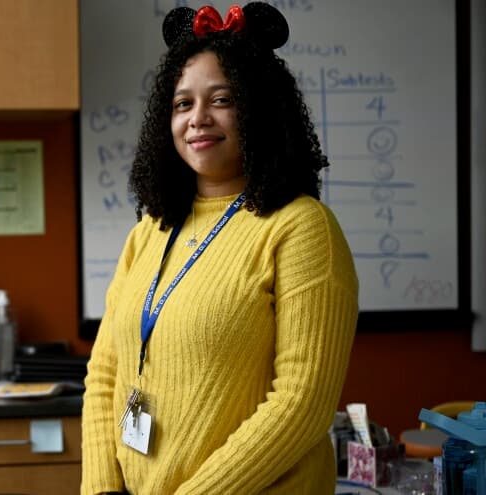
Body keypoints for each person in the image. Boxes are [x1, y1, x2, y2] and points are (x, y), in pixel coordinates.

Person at [81, 3, 359, 494]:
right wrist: (103, 487)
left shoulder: (302, 228)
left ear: (258, 110)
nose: (197, 119)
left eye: (222, 100)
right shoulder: (150, 230)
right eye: (182, 103)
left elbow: (301, 406)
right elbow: (106, 373)